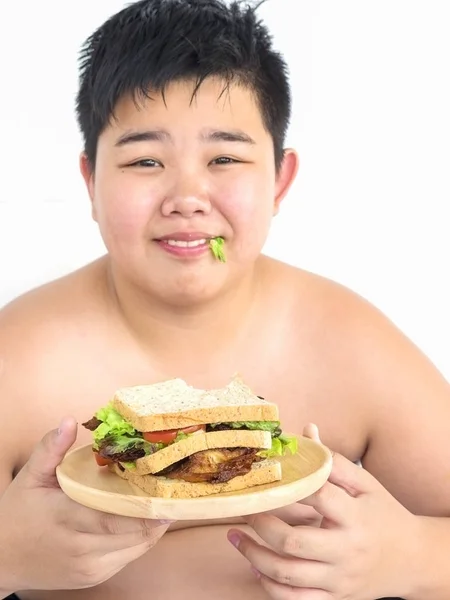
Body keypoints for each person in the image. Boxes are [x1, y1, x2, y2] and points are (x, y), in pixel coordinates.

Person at [0, 0, 449, 599]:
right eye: (145, 161)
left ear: (279, 181)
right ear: (91, 182)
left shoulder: (347, 342)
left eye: (225, 158)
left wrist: (413, 557)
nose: (187, 196)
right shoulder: (20, 359)